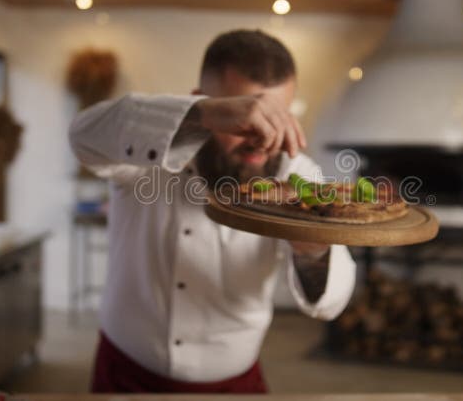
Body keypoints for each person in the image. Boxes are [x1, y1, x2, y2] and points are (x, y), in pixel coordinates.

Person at [69, 29, 356, 394]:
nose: (262, 138)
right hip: (125, 372)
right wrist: (200, 115)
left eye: (276, 117)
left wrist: (313, 248)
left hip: (234, 383)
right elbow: (82, 135)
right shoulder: (145, 153)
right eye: (245, 119)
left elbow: (331, 303)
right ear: (205, 105)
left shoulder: (298, 177)